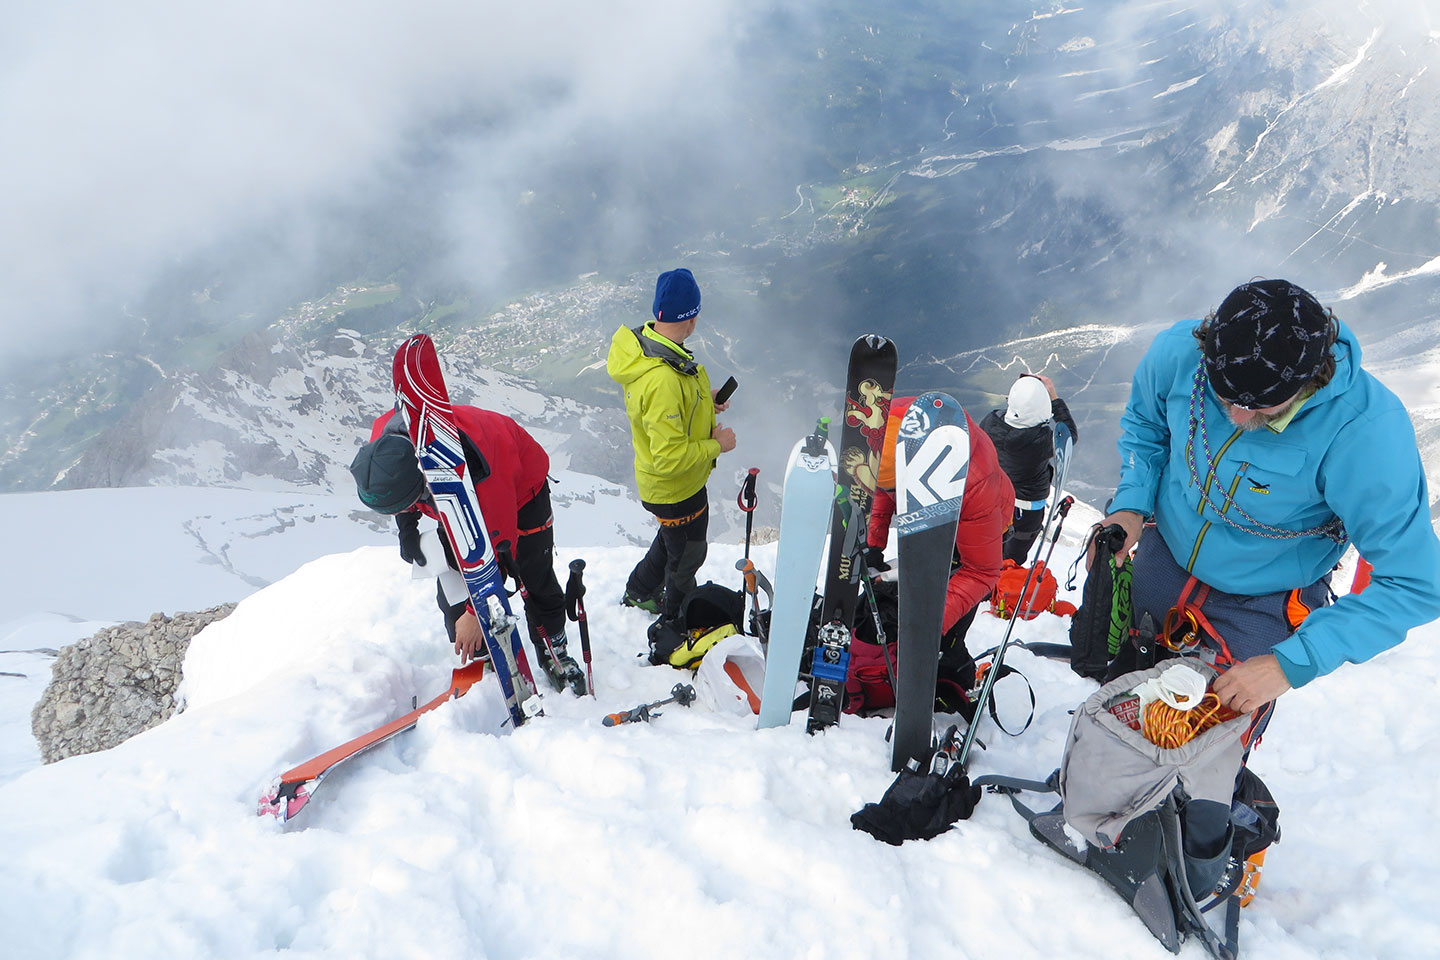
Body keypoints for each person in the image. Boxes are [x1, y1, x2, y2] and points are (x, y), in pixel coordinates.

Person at [1096, 278, 1440, 719]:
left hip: (1269, 595)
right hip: (1168, 549)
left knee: (1209, 733)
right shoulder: (1178, 353)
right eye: (1225, 398)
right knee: (1121, 694)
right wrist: (1130, 505)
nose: (1239, 417)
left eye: (1264, 407)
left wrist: (1287, 664)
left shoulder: (1365, 432)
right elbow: (1146, 428)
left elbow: (1417, 582)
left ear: (1312, 381)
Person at [349, 406, 585, 694]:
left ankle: (553, 650)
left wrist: (476, 613)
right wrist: (406, 527)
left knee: (534, 575)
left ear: (422, 479)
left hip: (521, 492)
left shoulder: (482, 475)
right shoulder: (382, 447)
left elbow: (498, 549)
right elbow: (397, 481)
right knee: (452, 579)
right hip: (452, 495)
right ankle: (484, 650)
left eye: (408, 503)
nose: (407, 509)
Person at [606, 267, 736, 628]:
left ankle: (639, 591)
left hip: (666, 488)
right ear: (691, 319)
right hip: (676, 488)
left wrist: (705, 401)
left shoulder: (653, 349)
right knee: (687, 558)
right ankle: (674, 624)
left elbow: (672, 409)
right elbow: (668, 457)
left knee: (671, 540)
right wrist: (716, 445)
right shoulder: (662, 377)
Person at [864, 395, 1015, 701]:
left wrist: (930, 623)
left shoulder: (975, 483)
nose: (893, 494)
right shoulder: (898, 425)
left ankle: (952, 676)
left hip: (980, 527)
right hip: (934, 504)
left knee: (951, 626)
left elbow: (983, 571)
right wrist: (873, 543)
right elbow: (885, 486)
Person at [979, 373, 1079, 563]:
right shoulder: (1040, 441)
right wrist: (1054, 398)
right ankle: (1005, 588)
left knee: (989, 557)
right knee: (1012, 561)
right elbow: (1068, 436)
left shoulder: (990, 422)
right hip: (1026, 512)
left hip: (992, 503)